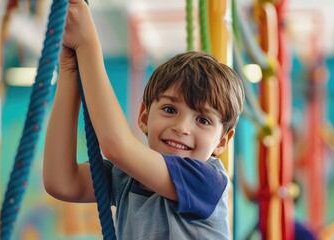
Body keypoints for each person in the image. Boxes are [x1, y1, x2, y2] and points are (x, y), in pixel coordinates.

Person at [42, 0, 244, 239]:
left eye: (202, 120)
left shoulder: (206, 181)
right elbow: (62, 182)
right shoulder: (128, 177)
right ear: (144, 117)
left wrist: (87, 45)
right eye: (170, 110)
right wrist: (69, 71)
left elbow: (117, 147)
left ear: (221, 142)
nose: (181, 127)